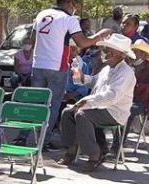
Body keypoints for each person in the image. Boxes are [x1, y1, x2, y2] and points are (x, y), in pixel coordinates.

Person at [29, 0, 111, 150]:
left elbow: (32, 40)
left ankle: (24, 136)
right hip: (57, 66)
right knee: (52, 105)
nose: (74, 9)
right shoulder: (69, 19)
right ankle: (42, 142)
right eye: (74, 6)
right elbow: (82, 43)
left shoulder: (42, 14)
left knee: (36, 102)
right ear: (69, 3)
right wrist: (99, 36)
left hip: (38, 64)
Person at [58, 34, 136, 172]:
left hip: (114, 111)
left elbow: (111, 97)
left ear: (121, 54)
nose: (105, 52)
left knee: (82, 114)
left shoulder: (126, 73)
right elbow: (94, 82)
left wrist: (86, 101)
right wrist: (82, 78)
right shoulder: (107, 69)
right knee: (67, 113)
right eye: (106, 49)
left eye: (109, 49)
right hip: (99, 107)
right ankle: (71, 150)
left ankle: (95, 154)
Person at [121, 39, 149, 148]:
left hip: (141, 101)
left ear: (143, 54)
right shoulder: (128, 64)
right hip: (125, 96)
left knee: (128, 110)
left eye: (137, 51)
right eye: (134, 51)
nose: (134, 53)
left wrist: (134, 85)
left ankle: (119, 143)